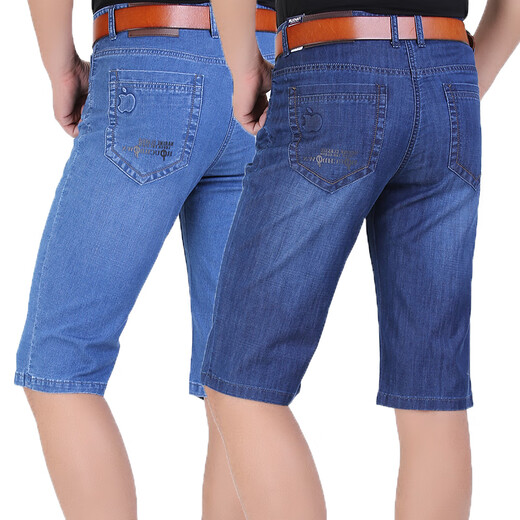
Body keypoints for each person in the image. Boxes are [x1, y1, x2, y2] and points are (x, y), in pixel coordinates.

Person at [200, 0, 520, 519]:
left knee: (241, 384)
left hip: (333, 64)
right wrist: (457, 81)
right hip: (450, 71)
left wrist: (244, 67)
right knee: (431, 393)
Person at [13, 1, 276, 518]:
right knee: (236, 384)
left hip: (152, 62)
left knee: (60, 360)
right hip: (264, 64)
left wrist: (61, 68)